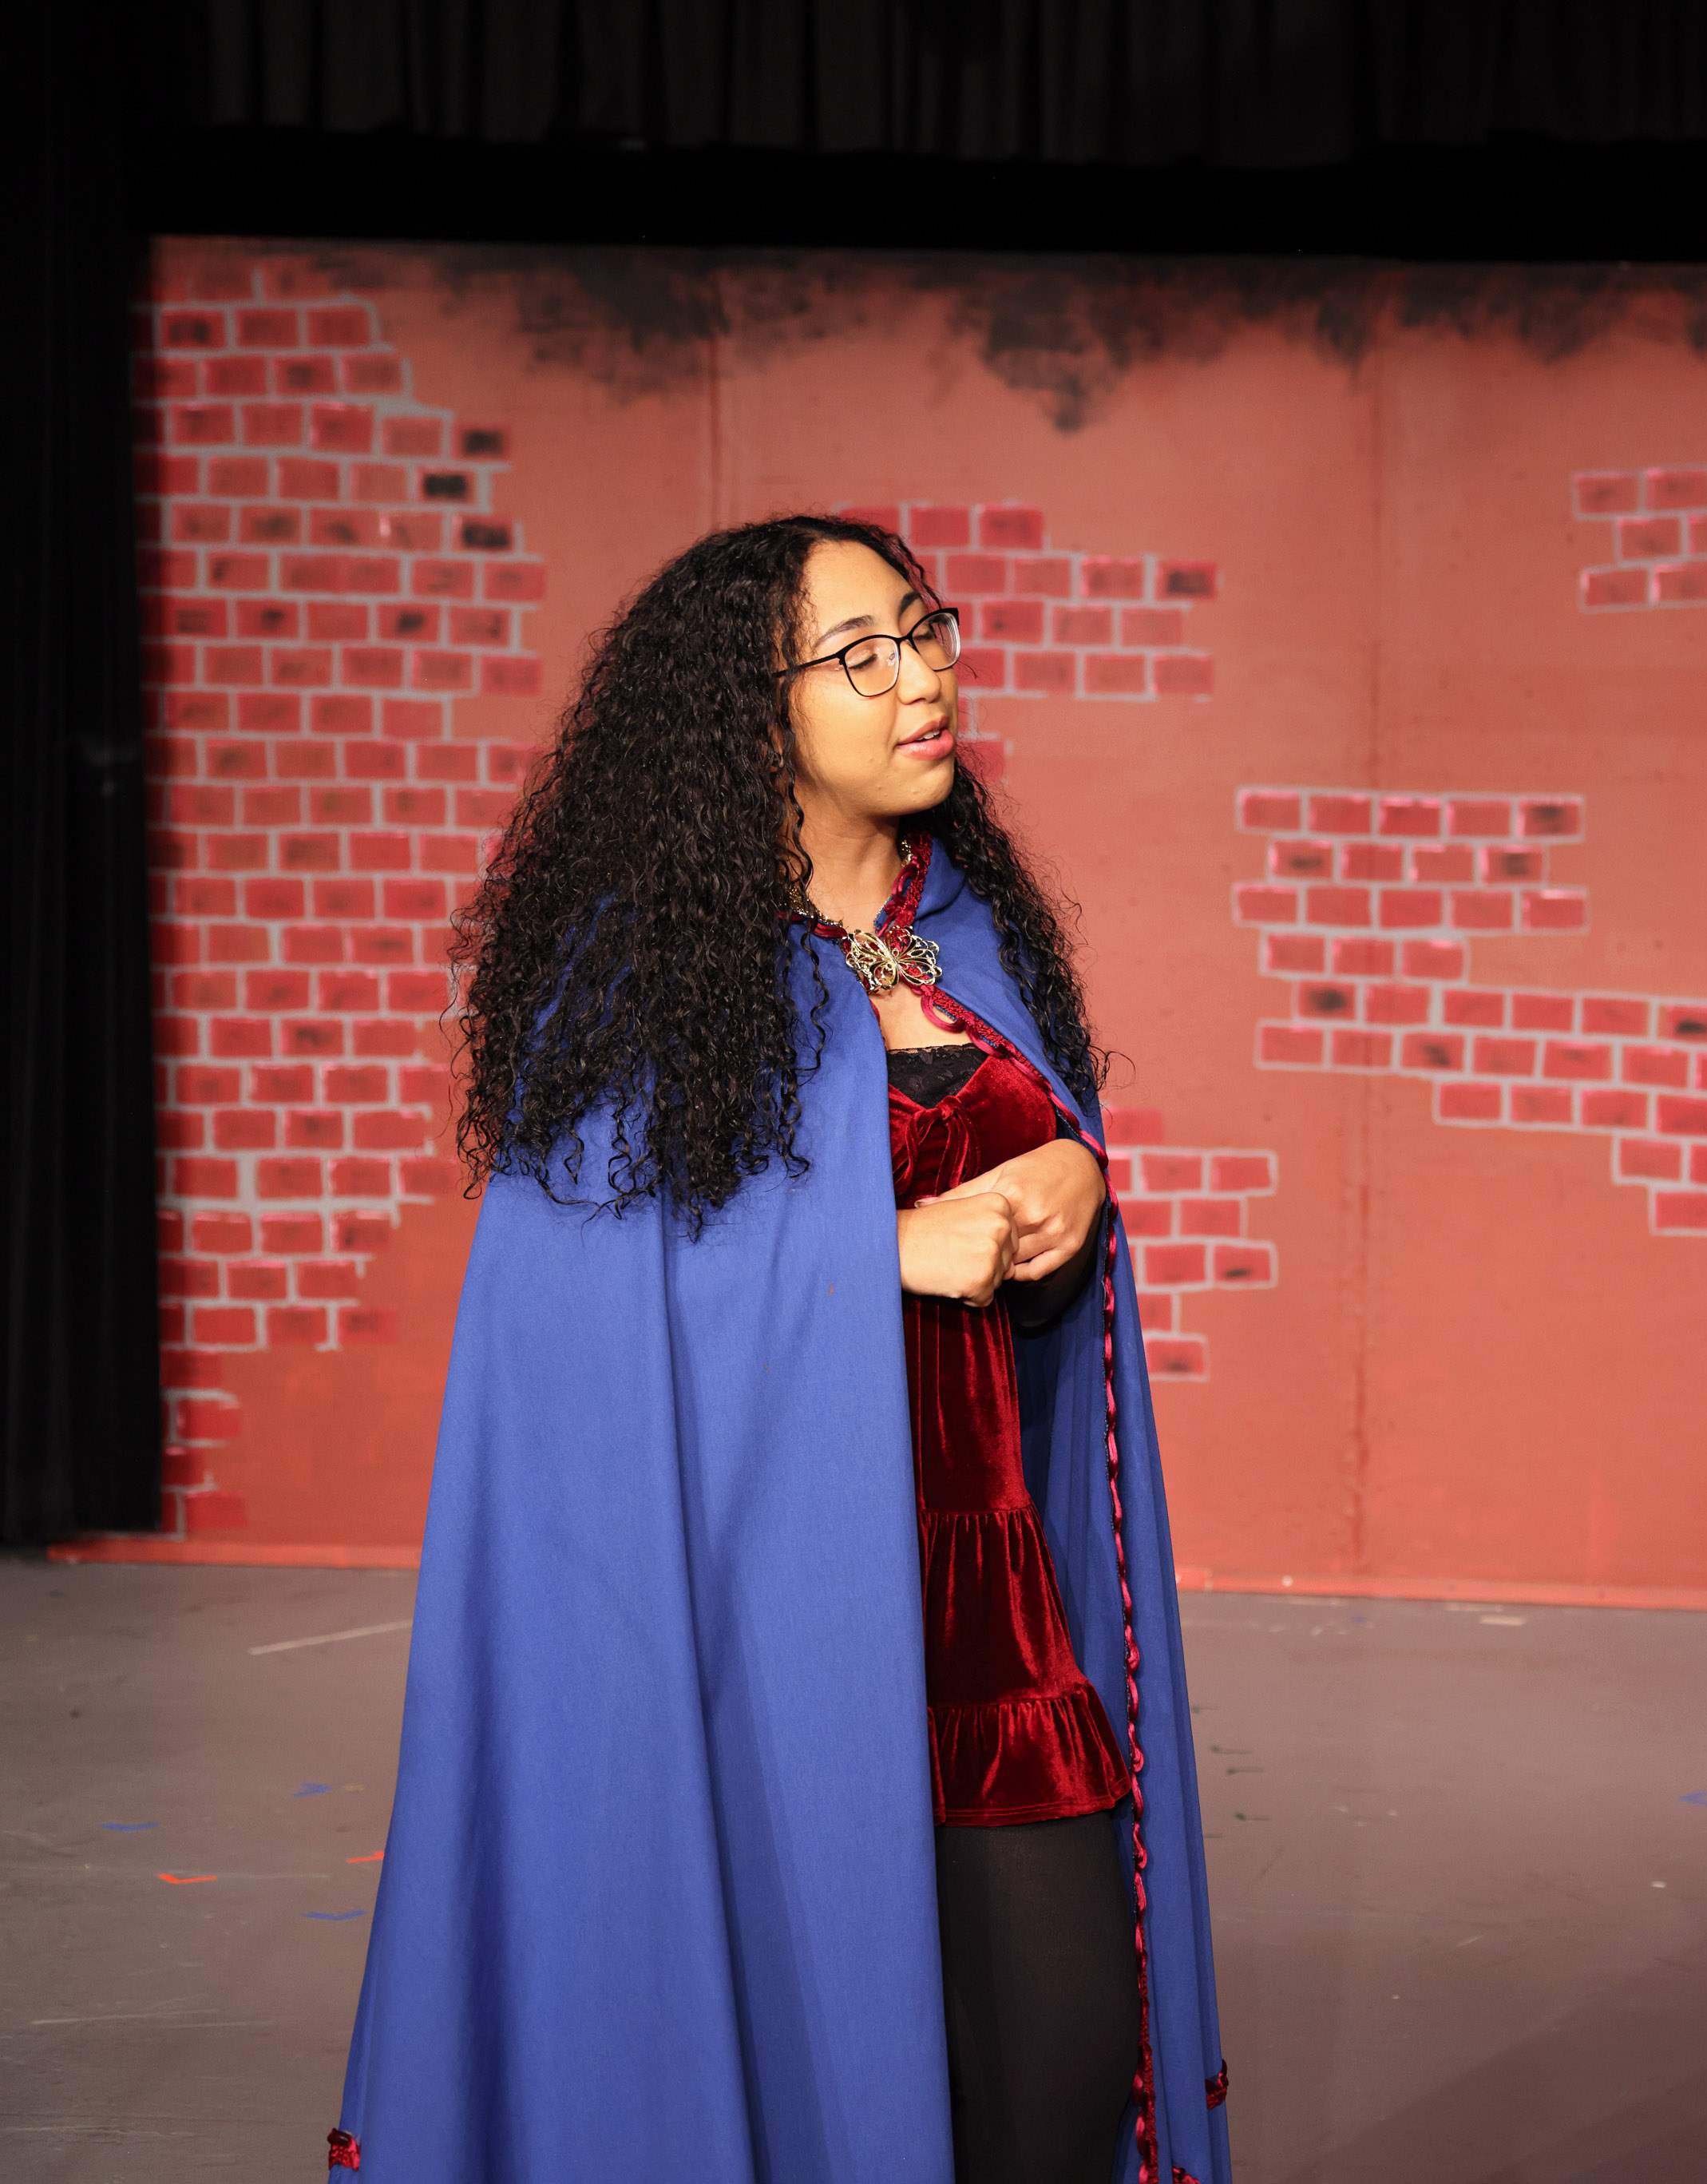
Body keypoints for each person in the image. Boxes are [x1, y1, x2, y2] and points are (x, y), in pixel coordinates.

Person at [327, 517, 1230, 2184]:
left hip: (991, 1616)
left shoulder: (970, 939)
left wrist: (1072, 1181)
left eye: (924, 631)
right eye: (859, 655)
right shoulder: (647, 981)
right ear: (753, 717)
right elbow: (571, 1309)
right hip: (767, 1631)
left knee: (1063, 2072)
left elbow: (1025, 1238)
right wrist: (878, 1255)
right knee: (809, 2059)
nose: (920, 677)